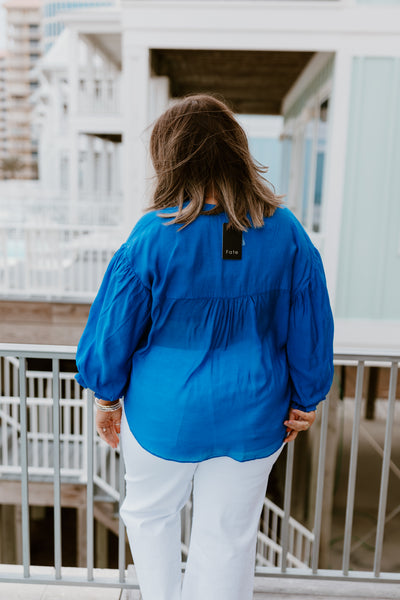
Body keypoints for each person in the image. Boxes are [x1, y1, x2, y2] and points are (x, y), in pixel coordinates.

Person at [75, 94, 334, 600]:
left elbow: (113, 331)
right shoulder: (286, 232)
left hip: (162, 411)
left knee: (151, 517)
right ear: (237, 151)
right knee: (230, 536)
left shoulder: (152, 236)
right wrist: (307, 397)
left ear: (170, 157)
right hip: (255, 409)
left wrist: (106, 397)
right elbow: (311, 325)